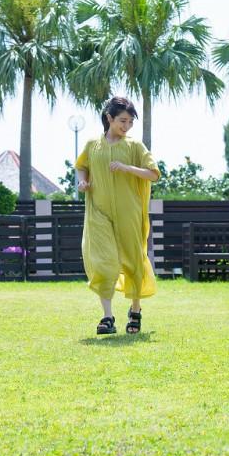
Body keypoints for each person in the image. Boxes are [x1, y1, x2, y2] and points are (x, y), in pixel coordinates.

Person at [76, 96, 161, 335]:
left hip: (129, 213)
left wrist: (127, 168)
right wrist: (83, 183)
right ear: (109, 118)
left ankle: (135, 312)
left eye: (130, 122)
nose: (126, 126)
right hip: (99, 212)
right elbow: (82, 166)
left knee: (134, 260)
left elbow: (153, 174)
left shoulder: (135, 146)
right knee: (103, 261)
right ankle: (107, 317)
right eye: (123, 120)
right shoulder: (93, 144)